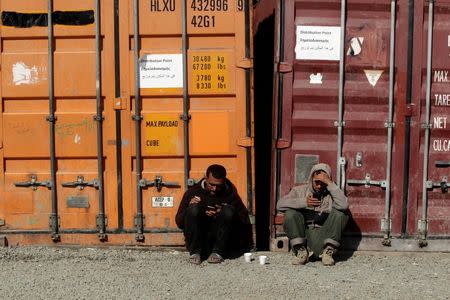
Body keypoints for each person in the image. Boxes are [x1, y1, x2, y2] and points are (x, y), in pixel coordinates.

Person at [176, 164, 252, 265]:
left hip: (222, 243)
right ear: (205, 178)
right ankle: (195, 253)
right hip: (200, 239)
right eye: (211, 184)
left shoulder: (230, 194)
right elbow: (179, 222)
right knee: (193, 209)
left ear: (224, 181)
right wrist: (190, 209)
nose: (214, 189)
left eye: (218, 186)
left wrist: (222, 213)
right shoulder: (192, 192)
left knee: (229, 211)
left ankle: (218, 253)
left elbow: (244, 220)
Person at [277, 163, 349, 266]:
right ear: (311, 179)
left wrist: (330, 183)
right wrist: (304, 202)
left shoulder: (333, 193)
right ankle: (301, 253)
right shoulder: (299, 191)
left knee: (341, 213)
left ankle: (328, 253)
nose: (319, 186)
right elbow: (279, 205)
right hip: (305, 239)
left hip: (324, 237)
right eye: (317, 182)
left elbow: (344, 205)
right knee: (290, 213)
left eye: (323, 182)